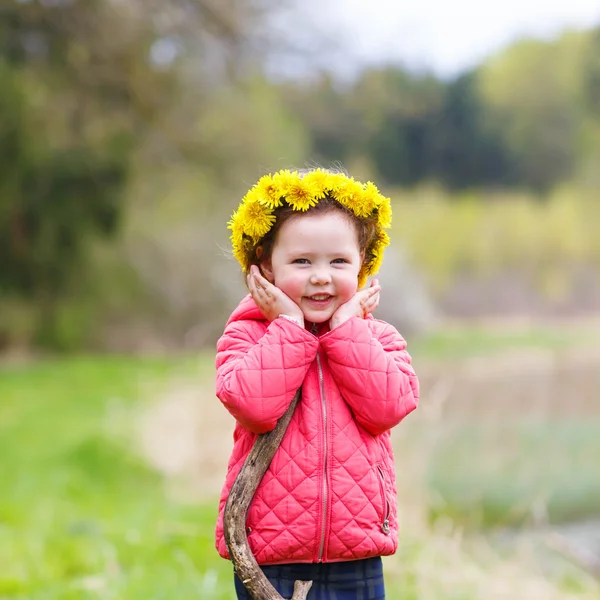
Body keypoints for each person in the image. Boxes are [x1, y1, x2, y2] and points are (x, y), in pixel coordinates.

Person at [215, 168, 419, 599]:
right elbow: (253, 406)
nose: (321, 276)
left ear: (362, 265)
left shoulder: (377, 338)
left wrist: (347, 331)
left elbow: (390, 407)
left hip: (356, 553)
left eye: (338, 262)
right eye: (302, 261)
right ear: (267, 267)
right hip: (271, 553)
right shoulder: (248, 335)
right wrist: (289, 328)